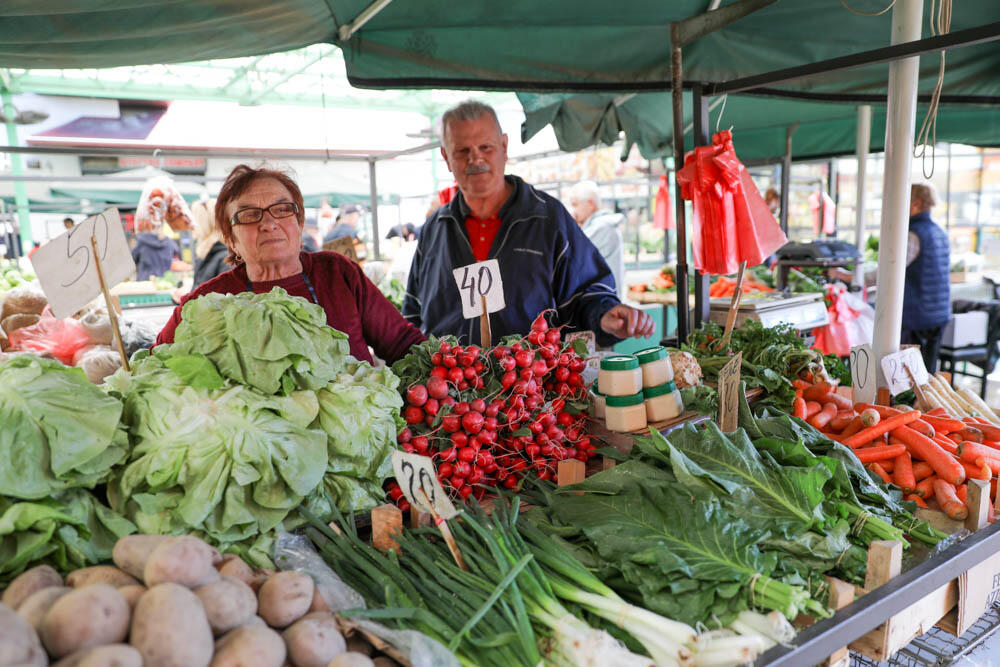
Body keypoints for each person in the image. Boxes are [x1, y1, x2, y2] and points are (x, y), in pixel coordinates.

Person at [403, 100, 654, 346]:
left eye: (486, 147)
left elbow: (586, 292)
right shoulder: (434, 229)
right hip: (446, 385)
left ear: (504, 147)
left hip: (533, 384)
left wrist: (604, 316)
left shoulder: (547, 218)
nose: (475, 159)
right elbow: (412, 313)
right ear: (446, 157)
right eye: (462, 151)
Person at [155, 165, 425, 364]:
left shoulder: (337, 273)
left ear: (299, 223)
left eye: (283, 209)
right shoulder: (207, 302)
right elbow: (157, 362)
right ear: (231, 240)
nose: (269, 223)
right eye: (250, 215)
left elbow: (402, 344)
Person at [833, 182, 950, 371]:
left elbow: (888, 272)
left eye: (905, 201)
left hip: (916, 316)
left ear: (916, 204)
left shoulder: (913, 235)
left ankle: (909, 401)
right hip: (938, 313)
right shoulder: (939, 232)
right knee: (927, 370)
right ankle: (923, 400)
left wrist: (844, 276)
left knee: (907, 373)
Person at [567, 180, 626, 299]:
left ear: (590, 203)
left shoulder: (601, 227)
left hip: (604, 302)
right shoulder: (597, 226)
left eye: (575, 205)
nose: (573, 211)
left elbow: (570, 257)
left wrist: (571, 227)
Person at [190, 199, 229, 289]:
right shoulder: (206, 255)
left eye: (192, 219)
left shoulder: (226, 259)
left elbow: (225, 300)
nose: (190, 225)